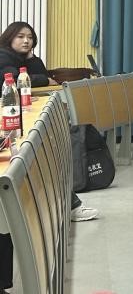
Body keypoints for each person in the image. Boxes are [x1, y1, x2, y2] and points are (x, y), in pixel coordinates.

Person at [0, 21, 99, 294]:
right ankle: (69, 204)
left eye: (30, 38)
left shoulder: (22, 58)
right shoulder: (4, 56)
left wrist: (32, 61)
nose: (26, 41)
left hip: (21, 116)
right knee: (36, 153)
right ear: (9, 38)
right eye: (20, 37)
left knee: (47, 148)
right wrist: (36, 75)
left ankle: (69, 203)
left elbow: (40, 75)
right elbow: (25, 80)